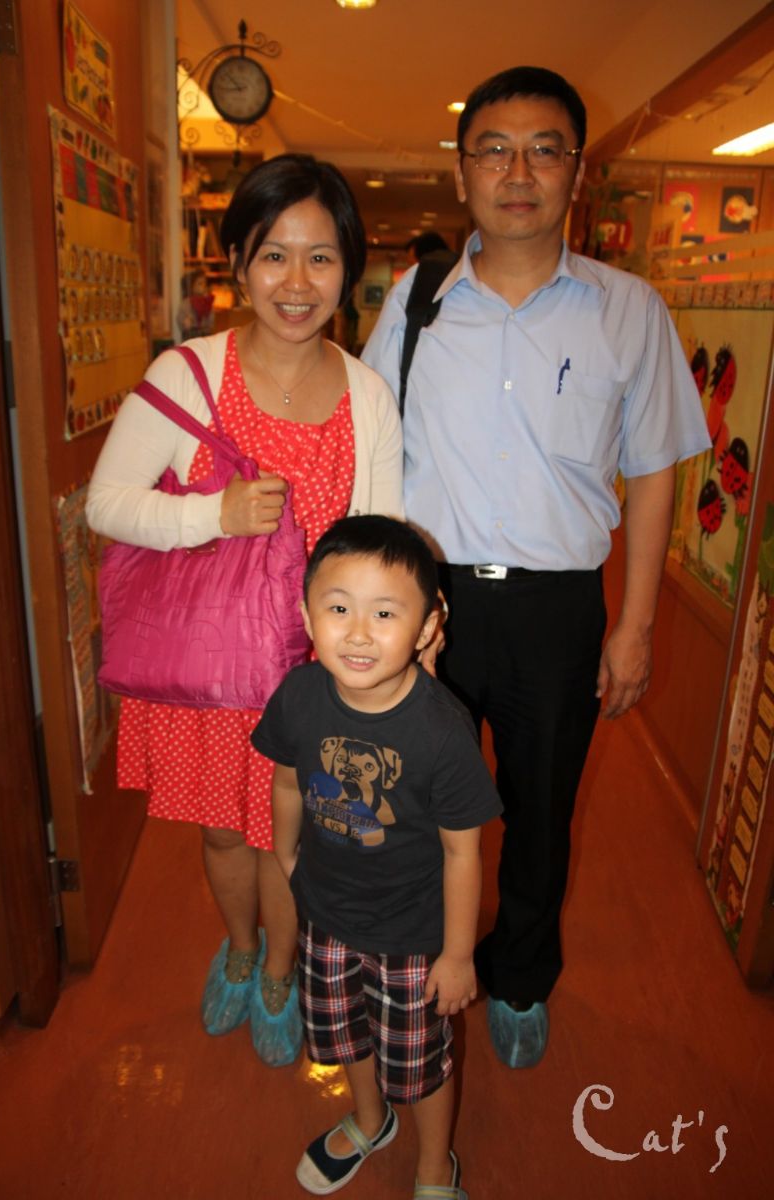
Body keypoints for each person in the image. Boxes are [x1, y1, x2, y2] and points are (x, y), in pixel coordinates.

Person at [363, 67, 711, 1070]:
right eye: (493, 150)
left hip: (558, 609)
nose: (517, 172)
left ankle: (519, 977)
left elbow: (652, 473)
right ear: (461, 171)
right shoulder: (415, 303)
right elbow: (370, 448)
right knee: (410, 802)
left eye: (543, 149)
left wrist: (633, 625)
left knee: (541, 811)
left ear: (576, 171)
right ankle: (415, 964)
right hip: (426, 606)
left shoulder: (628, 310)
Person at [87, 154, 404, 1067]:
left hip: (314, 675)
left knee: (297, 844)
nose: (296, 283)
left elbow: (383, 539)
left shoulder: (368, 395)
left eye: (321, 258)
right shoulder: (188, 373)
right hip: (213, 669)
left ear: (348, 268)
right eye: (273, 255)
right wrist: (211, 516)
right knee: (226, 833)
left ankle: (278, 973)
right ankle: (238, 948)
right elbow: (106, 503)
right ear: (237, 263)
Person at [251, 515, 501, 1198]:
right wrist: (285, 854)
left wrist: (457, 955)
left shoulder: (442, 732)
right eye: (338, 609)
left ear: (427, 626)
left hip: (412, 937)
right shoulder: (300, 695)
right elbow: (286, 781)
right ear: (307, 613)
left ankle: (434, 1165)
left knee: (420, 1064)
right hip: (326, 916)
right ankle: (369, 1119)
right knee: (343, 1035)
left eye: (385, 613)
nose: (359, 633)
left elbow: (463, 852)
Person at [176, 268, 215, 340]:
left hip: (205, 335)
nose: (203, 286)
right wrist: (184, 322)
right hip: (191, 336)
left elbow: (211, 322)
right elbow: (180, 318)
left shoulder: (207, 302)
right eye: (199, 284)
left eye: (204, 283)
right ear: (192, 286)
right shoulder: (187, 303)